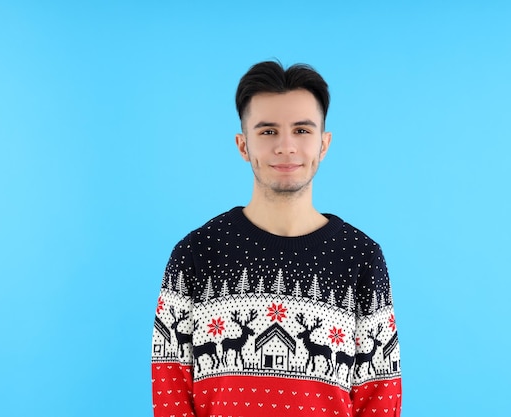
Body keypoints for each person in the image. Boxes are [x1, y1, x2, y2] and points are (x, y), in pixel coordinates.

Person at [151, 61, 402, 417]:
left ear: (324, 144)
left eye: (302, 130)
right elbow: (170, 387)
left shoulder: (360, 257)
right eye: (268, 132)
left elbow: (380, 393)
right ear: (243, 145)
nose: (286, 147)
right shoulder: (196, 254)